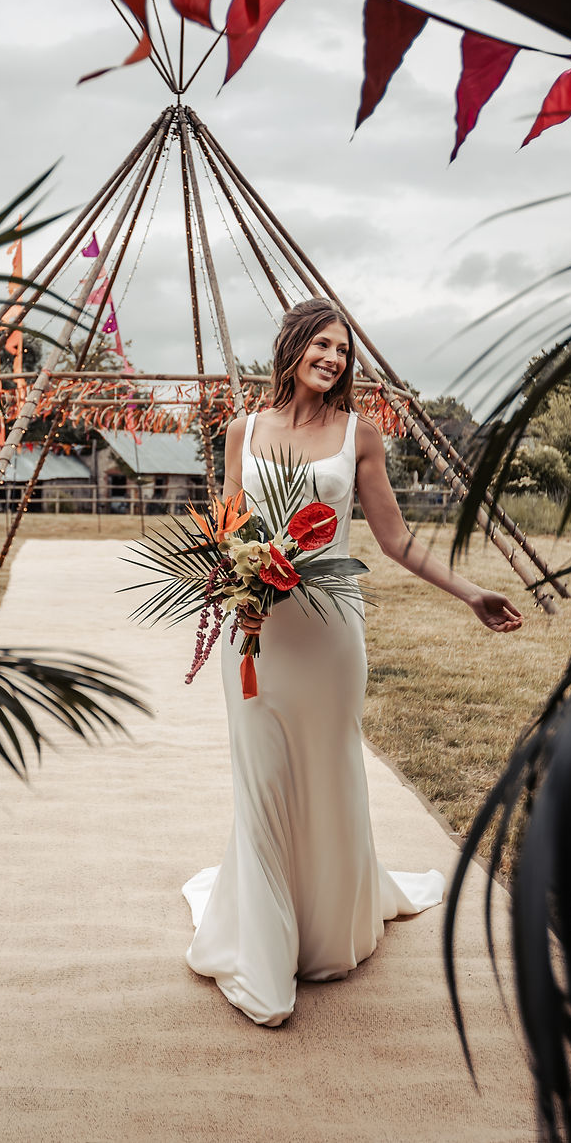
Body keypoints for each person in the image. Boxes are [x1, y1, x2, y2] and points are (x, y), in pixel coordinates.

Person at [182, 298, 522, 1027]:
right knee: (262, 783)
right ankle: (265, 958)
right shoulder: (242, 430)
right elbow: (229, 530)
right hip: (257, 637)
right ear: (294, 345)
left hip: (330, 639)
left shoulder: (359, 435)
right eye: (323, 345)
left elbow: (395, 540)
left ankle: (328, 928)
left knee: (328, 774)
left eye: (343, 350)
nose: (333, 359)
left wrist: (469, 593)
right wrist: (231, 586)